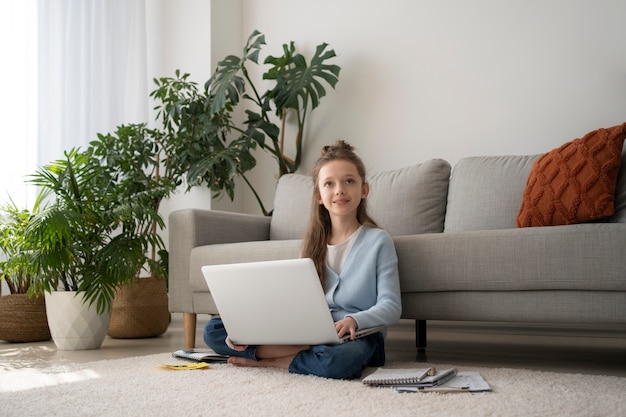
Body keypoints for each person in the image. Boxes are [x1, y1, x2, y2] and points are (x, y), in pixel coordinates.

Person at [203, 140, 402, 379]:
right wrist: (250, 325)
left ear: (364, 189)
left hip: (356, 336)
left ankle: (275, 360)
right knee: (214, 329)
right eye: (329, 184)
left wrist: (354, 320)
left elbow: (391, 306)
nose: (339, 189)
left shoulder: (379, 241)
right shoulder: (310, 245)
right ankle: (302, 351)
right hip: (307, 333)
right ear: (319, 195)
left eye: (349, 181)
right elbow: (292, 302)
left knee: (338, 361)